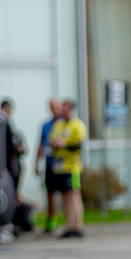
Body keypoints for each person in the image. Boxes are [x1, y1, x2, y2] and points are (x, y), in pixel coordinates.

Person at [49, 100, 86, 238]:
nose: (64, 111)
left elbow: (79, 144)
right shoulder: (58, 124)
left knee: (74, 195)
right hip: (60, 167)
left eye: (66, 108)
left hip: (73, 167)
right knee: (65, 197)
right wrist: (55, 144)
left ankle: (78, 226)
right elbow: (51, 140)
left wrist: (65, 144)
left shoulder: (77, 125)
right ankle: (70, 225)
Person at [37, 98, 63, 234]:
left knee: (65, 194)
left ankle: (69, 222)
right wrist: (36, 163)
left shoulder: (65, 124)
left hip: (62, 164)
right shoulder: (46, 125)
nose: (54, 109)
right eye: (52, 107)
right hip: (49, 163)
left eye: (56, 106)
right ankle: (51, 221)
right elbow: (41, 144)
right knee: (50, 194)